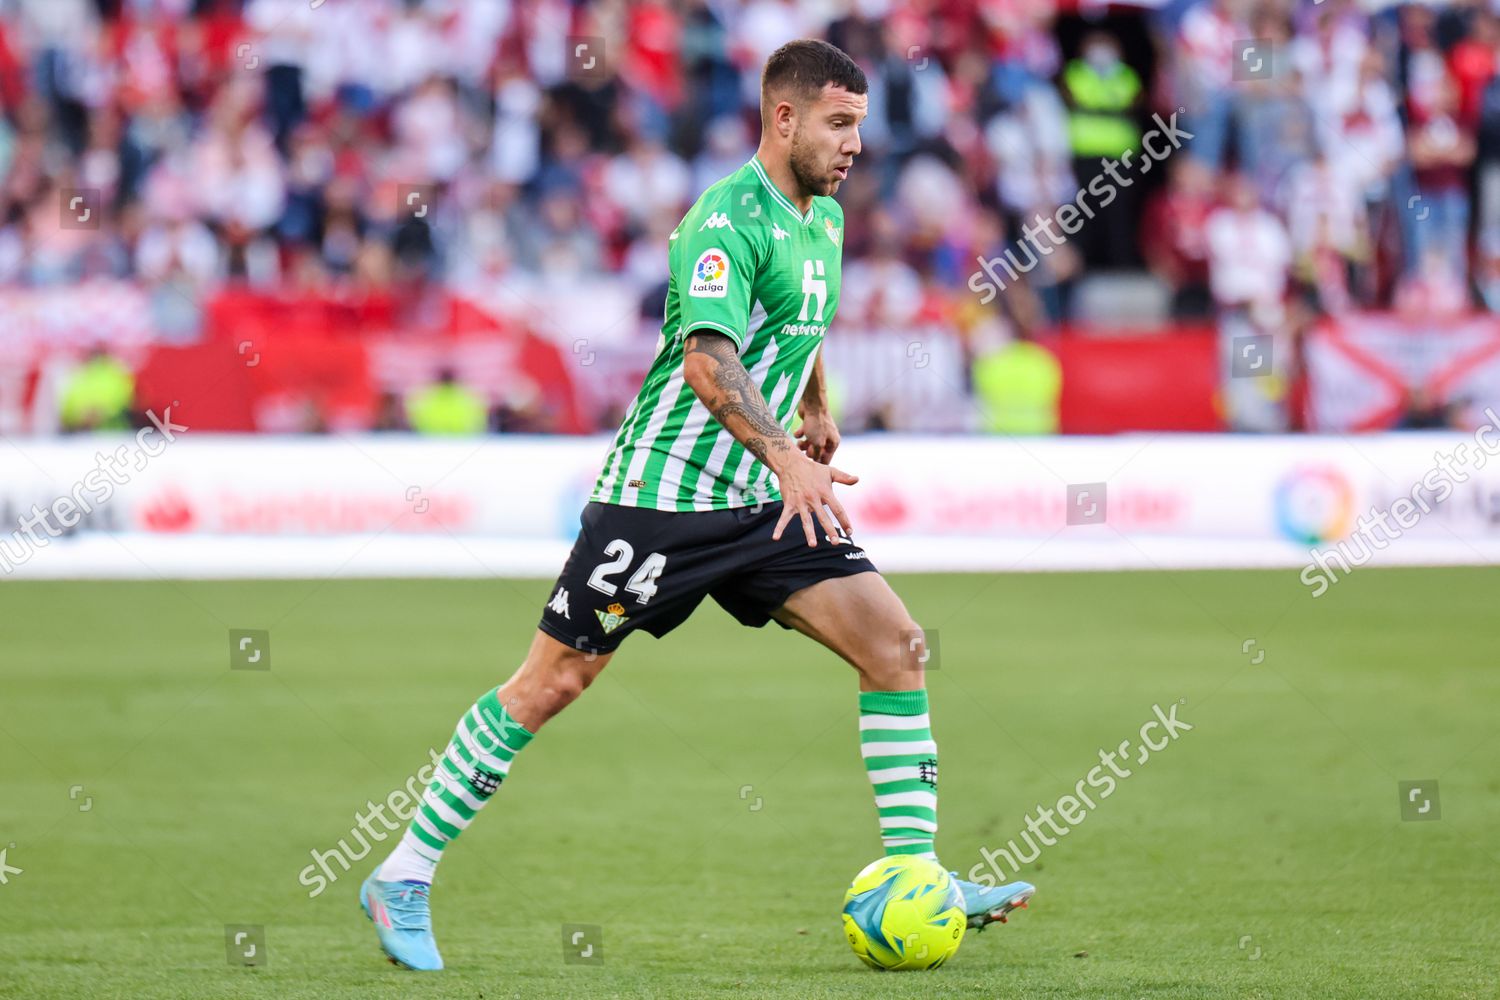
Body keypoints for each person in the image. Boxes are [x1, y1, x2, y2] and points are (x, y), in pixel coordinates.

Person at [358, 39, 1034, 972]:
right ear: (783, 118)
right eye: (839, 126)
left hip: (763, 497)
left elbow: (797, 321)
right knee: (551, 684)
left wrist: (816, 407)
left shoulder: (824, 219)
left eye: (861, 128)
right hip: (662, 498)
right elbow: (708, 360)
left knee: (897, 647)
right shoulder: (723, 219)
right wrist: (787, 454)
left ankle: (918, 873)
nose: (854, 147)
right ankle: (403, 872)